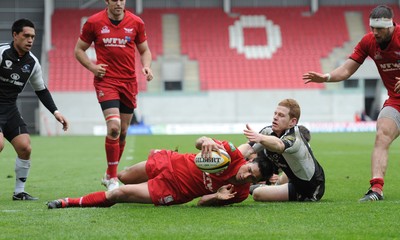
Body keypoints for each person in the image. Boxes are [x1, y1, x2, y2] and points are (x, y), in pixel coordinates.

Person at [302, 5, 398, 202]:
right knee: (382, 134)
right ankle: (376, 189)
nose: (375, 32)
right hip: (396, 100)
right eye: (372, 28)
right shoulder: (369, 41)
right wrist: (326, 77)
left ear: (391, 26)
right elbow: (346, 70)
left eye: (379, 29)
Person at [46, 136, 270, 209]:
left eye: (253, 178)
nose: (246, 176)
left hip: (173, 190)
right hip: (170, 162)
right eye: (249, 170)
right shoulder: (230, 153)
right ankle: (112, 182)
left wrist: (216, 197)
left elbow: (201, 203)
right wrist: (207, 140)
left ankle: (68, 202)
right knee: (123, 176)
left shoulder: (239, 193)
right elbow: (198, 141)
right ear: (249, 161)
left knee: (119, 194)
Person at [74, 0, 154, 191]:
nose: (118, 3)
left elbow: (144, 50)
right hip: (106, 81)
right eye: (114, 0)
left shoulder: (136, 22)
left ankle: (109, 173)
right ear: (107, 1)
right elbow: (79, 50)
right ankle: (111, 178)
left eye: (122, 0)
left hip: (128, 83)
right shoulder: (94, 22)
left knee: (124, 131)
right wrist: (92, 67)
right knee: (114, 127)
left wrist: (147, 66)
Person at [0, 19, 69, 200]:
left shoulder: (32, 63)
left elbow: (41, 90)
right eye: (26, 36)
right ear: (15, 35)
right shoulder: (1, 53)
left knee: (25, 147)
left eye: (33, 37)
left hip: (9, 109)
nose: (30, 40)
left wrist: (56, 112)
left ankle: (19, 192)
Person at [241, 99, 325, 202]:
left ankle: (261, 188)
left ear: (292, 122)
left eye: (281, 115)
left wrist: (261, 138)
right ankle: (274, 186)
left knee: (257, 194)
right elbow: (248, 149)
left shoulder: (295, 139)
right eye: (275, 113)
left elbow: (279, 145)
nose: (275, 117)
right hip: (293, 177)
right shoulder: (268, 131)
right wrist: (230, 156)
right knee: (283, 177)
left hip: (310, 188)